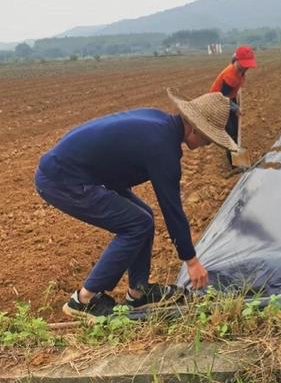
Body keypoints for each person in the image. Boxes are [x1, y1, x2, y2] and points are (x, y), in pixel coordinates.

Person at [34, 89, 238, 320]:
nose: (207, 145)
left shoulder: (160, 123)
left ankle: (138, 292)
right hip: (62, 179)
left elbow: (114, 158)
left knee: (144, 216)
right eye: (208, 138)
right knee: (136, 223)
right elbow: (172, 208)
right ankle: (83, 300)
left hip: (82, 171)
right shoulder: (163, 147)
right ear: (194, 128)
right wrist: (191, 261)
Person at [209, 46, 257, 167]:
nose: (246, 67)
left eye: (248, 65)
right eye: (244, 64)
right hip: (219, 103)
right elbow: (222, 97)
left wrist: (235, 103)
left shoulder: (240, 72)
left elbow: (231, 93)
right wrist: (235, 107)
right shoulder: (230, 76)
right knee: (230, 134)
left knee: (235, 130)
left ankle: (238, 160)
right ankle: (234, 165)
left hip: (229, 99)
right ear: (236, 60)